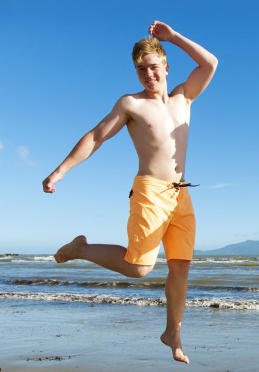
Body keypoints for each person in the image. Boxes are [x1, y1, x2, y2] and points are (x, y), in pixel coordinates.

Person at [42, 20, 218, 364]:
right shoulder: (131, 104)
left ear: (166, 67)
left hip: (182, 193)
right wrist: (60, 171)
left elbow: (210, 63)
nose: (148, 74)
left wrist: (173, 37)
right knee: (139, 269)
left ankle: (173, 333)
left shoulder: (185, 97)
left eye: (153, 67)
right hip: (150, 191)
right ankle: (82, 248)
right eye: (141, 70)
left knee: (180, 267)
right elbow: (96, 136)